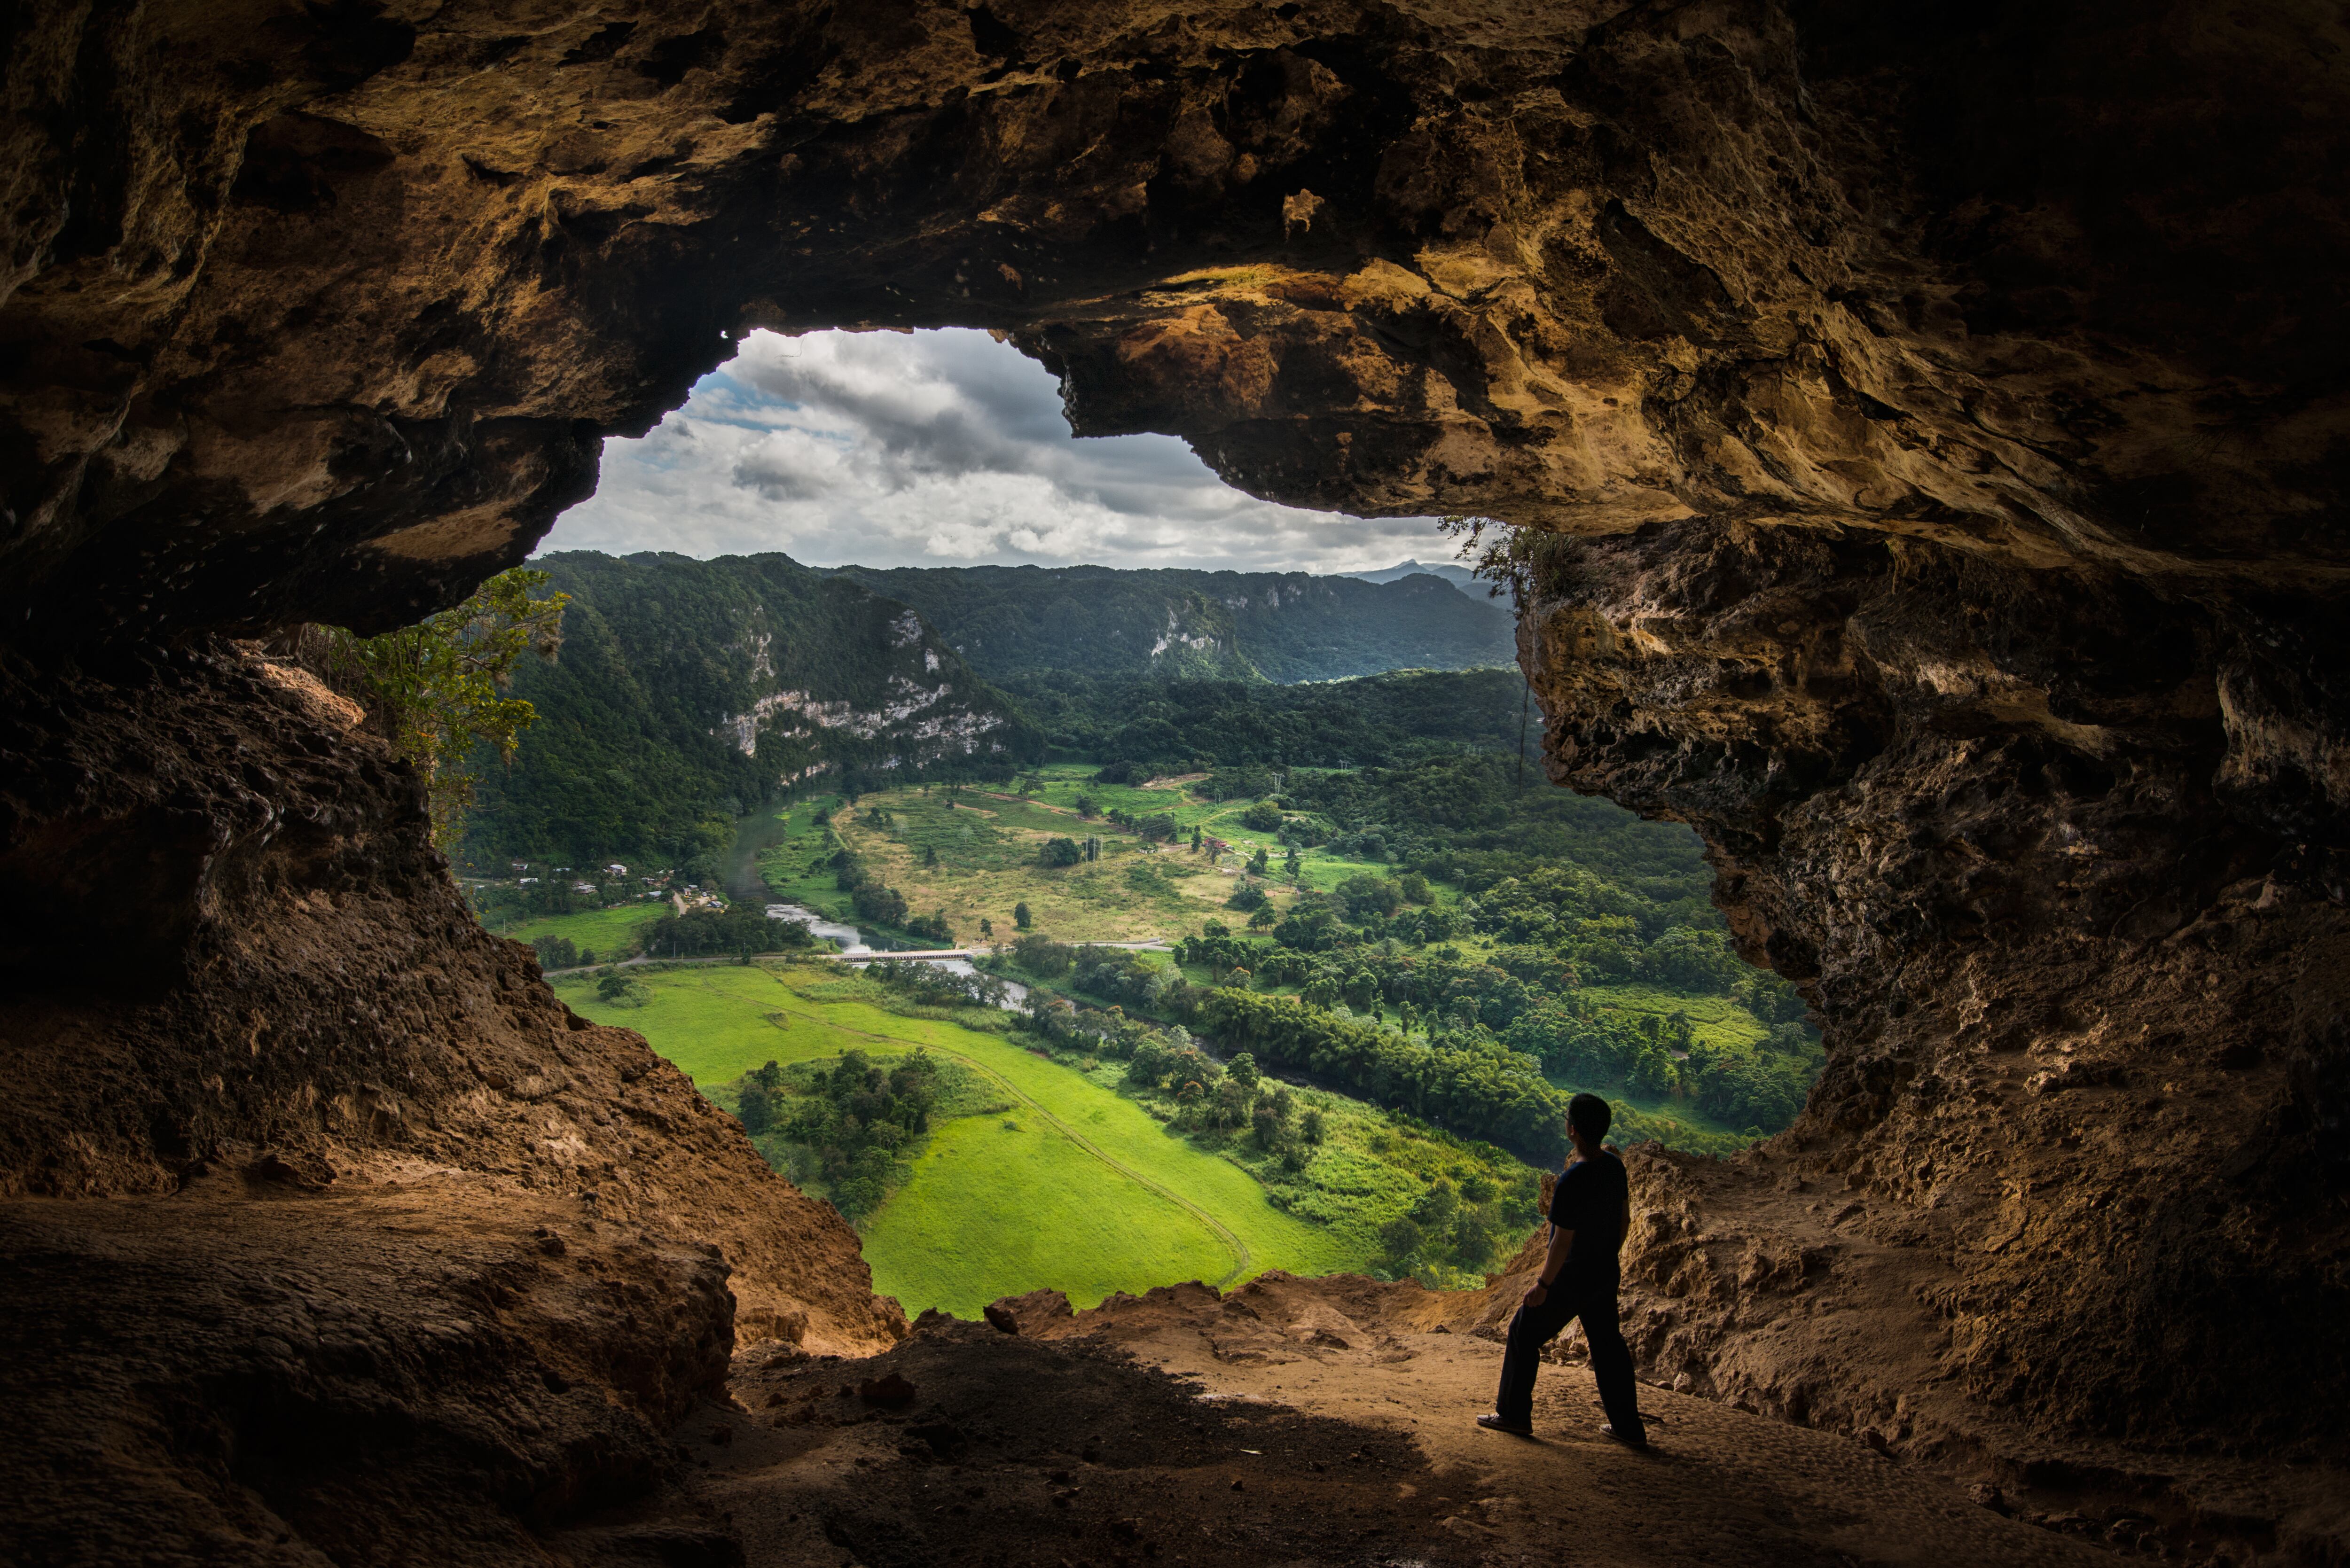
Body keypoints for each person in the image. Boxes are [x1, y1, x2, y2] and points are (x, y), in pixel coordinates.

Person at [1477, 1092, 1647, 1446]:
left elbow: (1561, 1242)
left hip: (1572, 1277)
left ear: (1573, 1130)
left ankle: (1513, 1415)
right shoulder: (1614, 1167)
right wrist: (1608, 1255)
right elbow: (1625, 1220)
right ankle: (1629, 1428)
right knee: (1608, 1346)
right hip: (1604, 1272)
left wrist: (1543, 1285)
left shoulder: (1573, 1179)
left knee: (1523, 1330)